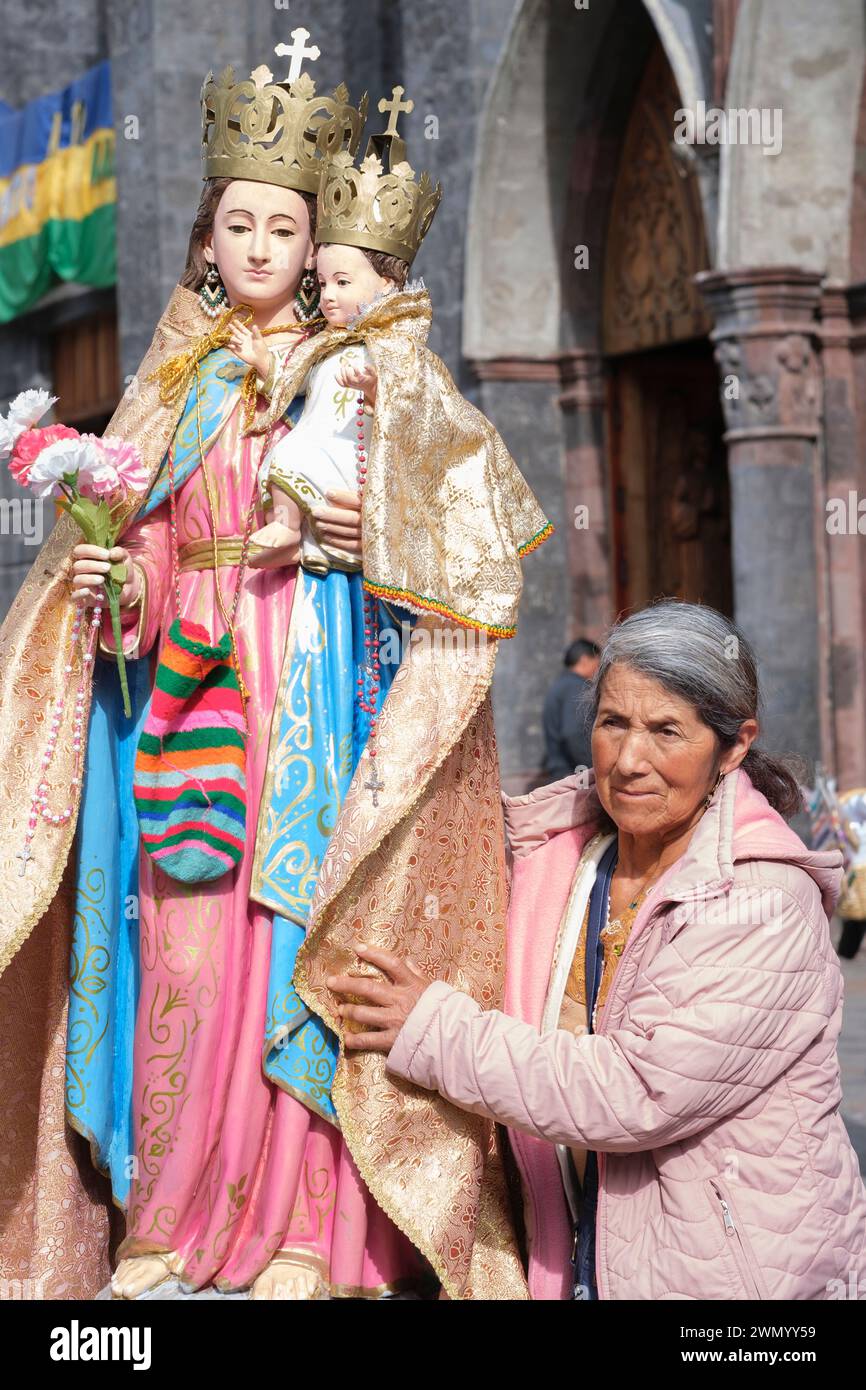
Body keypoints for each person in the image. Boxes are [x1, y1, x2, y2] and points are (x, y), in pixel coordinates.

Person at [0, 47, 550, 1304]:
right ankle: (172, 1220)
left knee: (303, 941)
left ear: (318, 245)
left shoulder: (365, 374)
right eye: (238, 222)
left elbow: (465, 551)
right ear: (208, 235)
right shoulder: (174, 385)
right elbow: (141, 544)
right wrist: (115, 588)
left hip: (323, 713)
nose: (258, 245)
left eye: (284, 226)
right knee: (184, 960)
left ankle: (314, 1229)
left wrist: (377, 540)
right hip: (191, 709)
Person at [328, 600, 866, 1300]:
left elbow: (636, 1091)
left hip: (731, 1284)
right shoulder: (571, 858)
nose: (631, 760)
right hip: (583, 1255)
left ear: (733, 747)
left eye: (667, 730)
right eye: (614, 724)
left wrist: (435, 1030)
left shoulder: (761, 898)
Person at [542, 637, 600, 782]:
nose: (599, 668)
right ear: (585, 660)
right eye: (598, 662)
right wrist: (592, 767)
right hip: (573, 773)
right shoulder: (576, 687)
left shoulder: (561, 684)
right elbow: (574, 733)